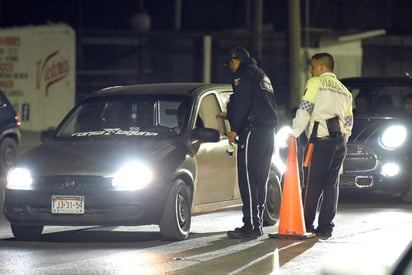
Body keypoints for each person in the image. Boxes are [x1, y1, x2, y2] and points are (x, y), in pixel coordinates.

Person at [216, 47, 279, 239]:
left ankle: (251, 225)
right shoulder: (261, 74)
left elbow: (243, 102)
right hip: (268, 132)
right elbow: (257, 103)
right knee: (260, 179)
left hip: (252, 132)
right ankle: (256, 223)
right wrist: (232, 114)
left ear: (236, 61)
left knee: (248, 179)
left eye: (230, 64)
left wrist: (234, 127)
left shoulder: (243, 74)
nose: (230, 68)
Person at [290, 52, 353, 238]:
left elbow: (305, 109)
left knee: (313, 184)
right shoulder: (345, 90)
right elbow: (349, 122)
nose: (310, 70)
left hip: (321, 141)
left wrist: (293, 133)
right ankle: (326, 227)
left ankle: (306, 224)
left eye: (312, 66)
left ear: (321, 67)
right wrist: (343, 140)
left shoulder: (315, 83)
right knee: (332, 185)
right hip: (340, 142)